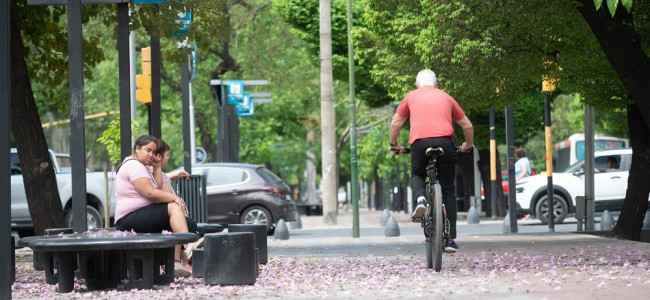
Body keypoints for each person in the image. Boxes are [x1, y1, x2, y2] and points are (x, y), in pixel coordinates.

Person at [389, 69, 474, 253]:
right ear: (436, 84)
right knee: (449, 189)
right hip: (446, 142)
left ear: (416, 84)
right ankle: (450, 239)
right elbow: (467, 125)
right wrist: (468, 144)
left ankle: (421, 200)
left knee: (418, 173)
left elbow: (395, 123)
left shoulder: (410, 96)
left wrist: (393, 144)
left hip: (419, 143)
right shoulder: (446, 97)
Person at [114, 135, 197, 277]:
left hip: (141, 215)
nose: (151, 155)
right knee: (173, 208)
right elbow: (149, 193)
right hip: (128, 218)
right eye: (148, 150)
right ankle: (184, 250)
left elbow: (157, 187)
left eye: (153, 152)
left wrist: (157, 167)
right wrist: (175, 198)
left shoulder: (143, 167)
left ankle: (178, 257)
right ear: (137, 148)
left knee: (188, 222)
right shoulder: (133, 166)